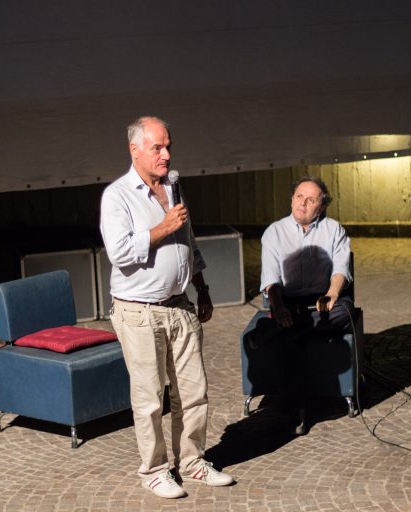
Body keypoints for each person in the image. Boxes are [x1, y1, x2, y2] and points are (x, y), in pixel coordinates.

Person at [99, 116, 234, 499]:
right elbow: (120, 253)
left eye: (168, 146)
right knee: (149, 399)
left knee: (193, 392)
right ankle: (155, 470)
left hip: (181, 306)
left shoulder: (173, 188)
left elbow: (189, 242)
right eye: (157, 147)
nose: (166, 154)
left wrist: (202, 288)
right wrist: (163, 227)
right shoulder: (117, 196)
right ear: (135, 150)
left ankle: (192, 462)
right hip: (139, 311)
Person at [255, 176, 354, 430]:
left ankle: (278, 329)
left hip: (323, 300)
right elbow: (270, 279)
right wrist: (279, 307)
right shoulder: (274, 232)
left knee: (345, 310)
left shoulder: (334, 229)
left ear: (321, 206)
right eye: (299, 197)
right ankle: (297, 410)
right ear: (291, 200)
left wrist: (332, 294)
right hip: (288, 300)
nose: (303, 203)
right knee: (292, 335)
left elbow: (341, 269)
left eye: (311, 200)